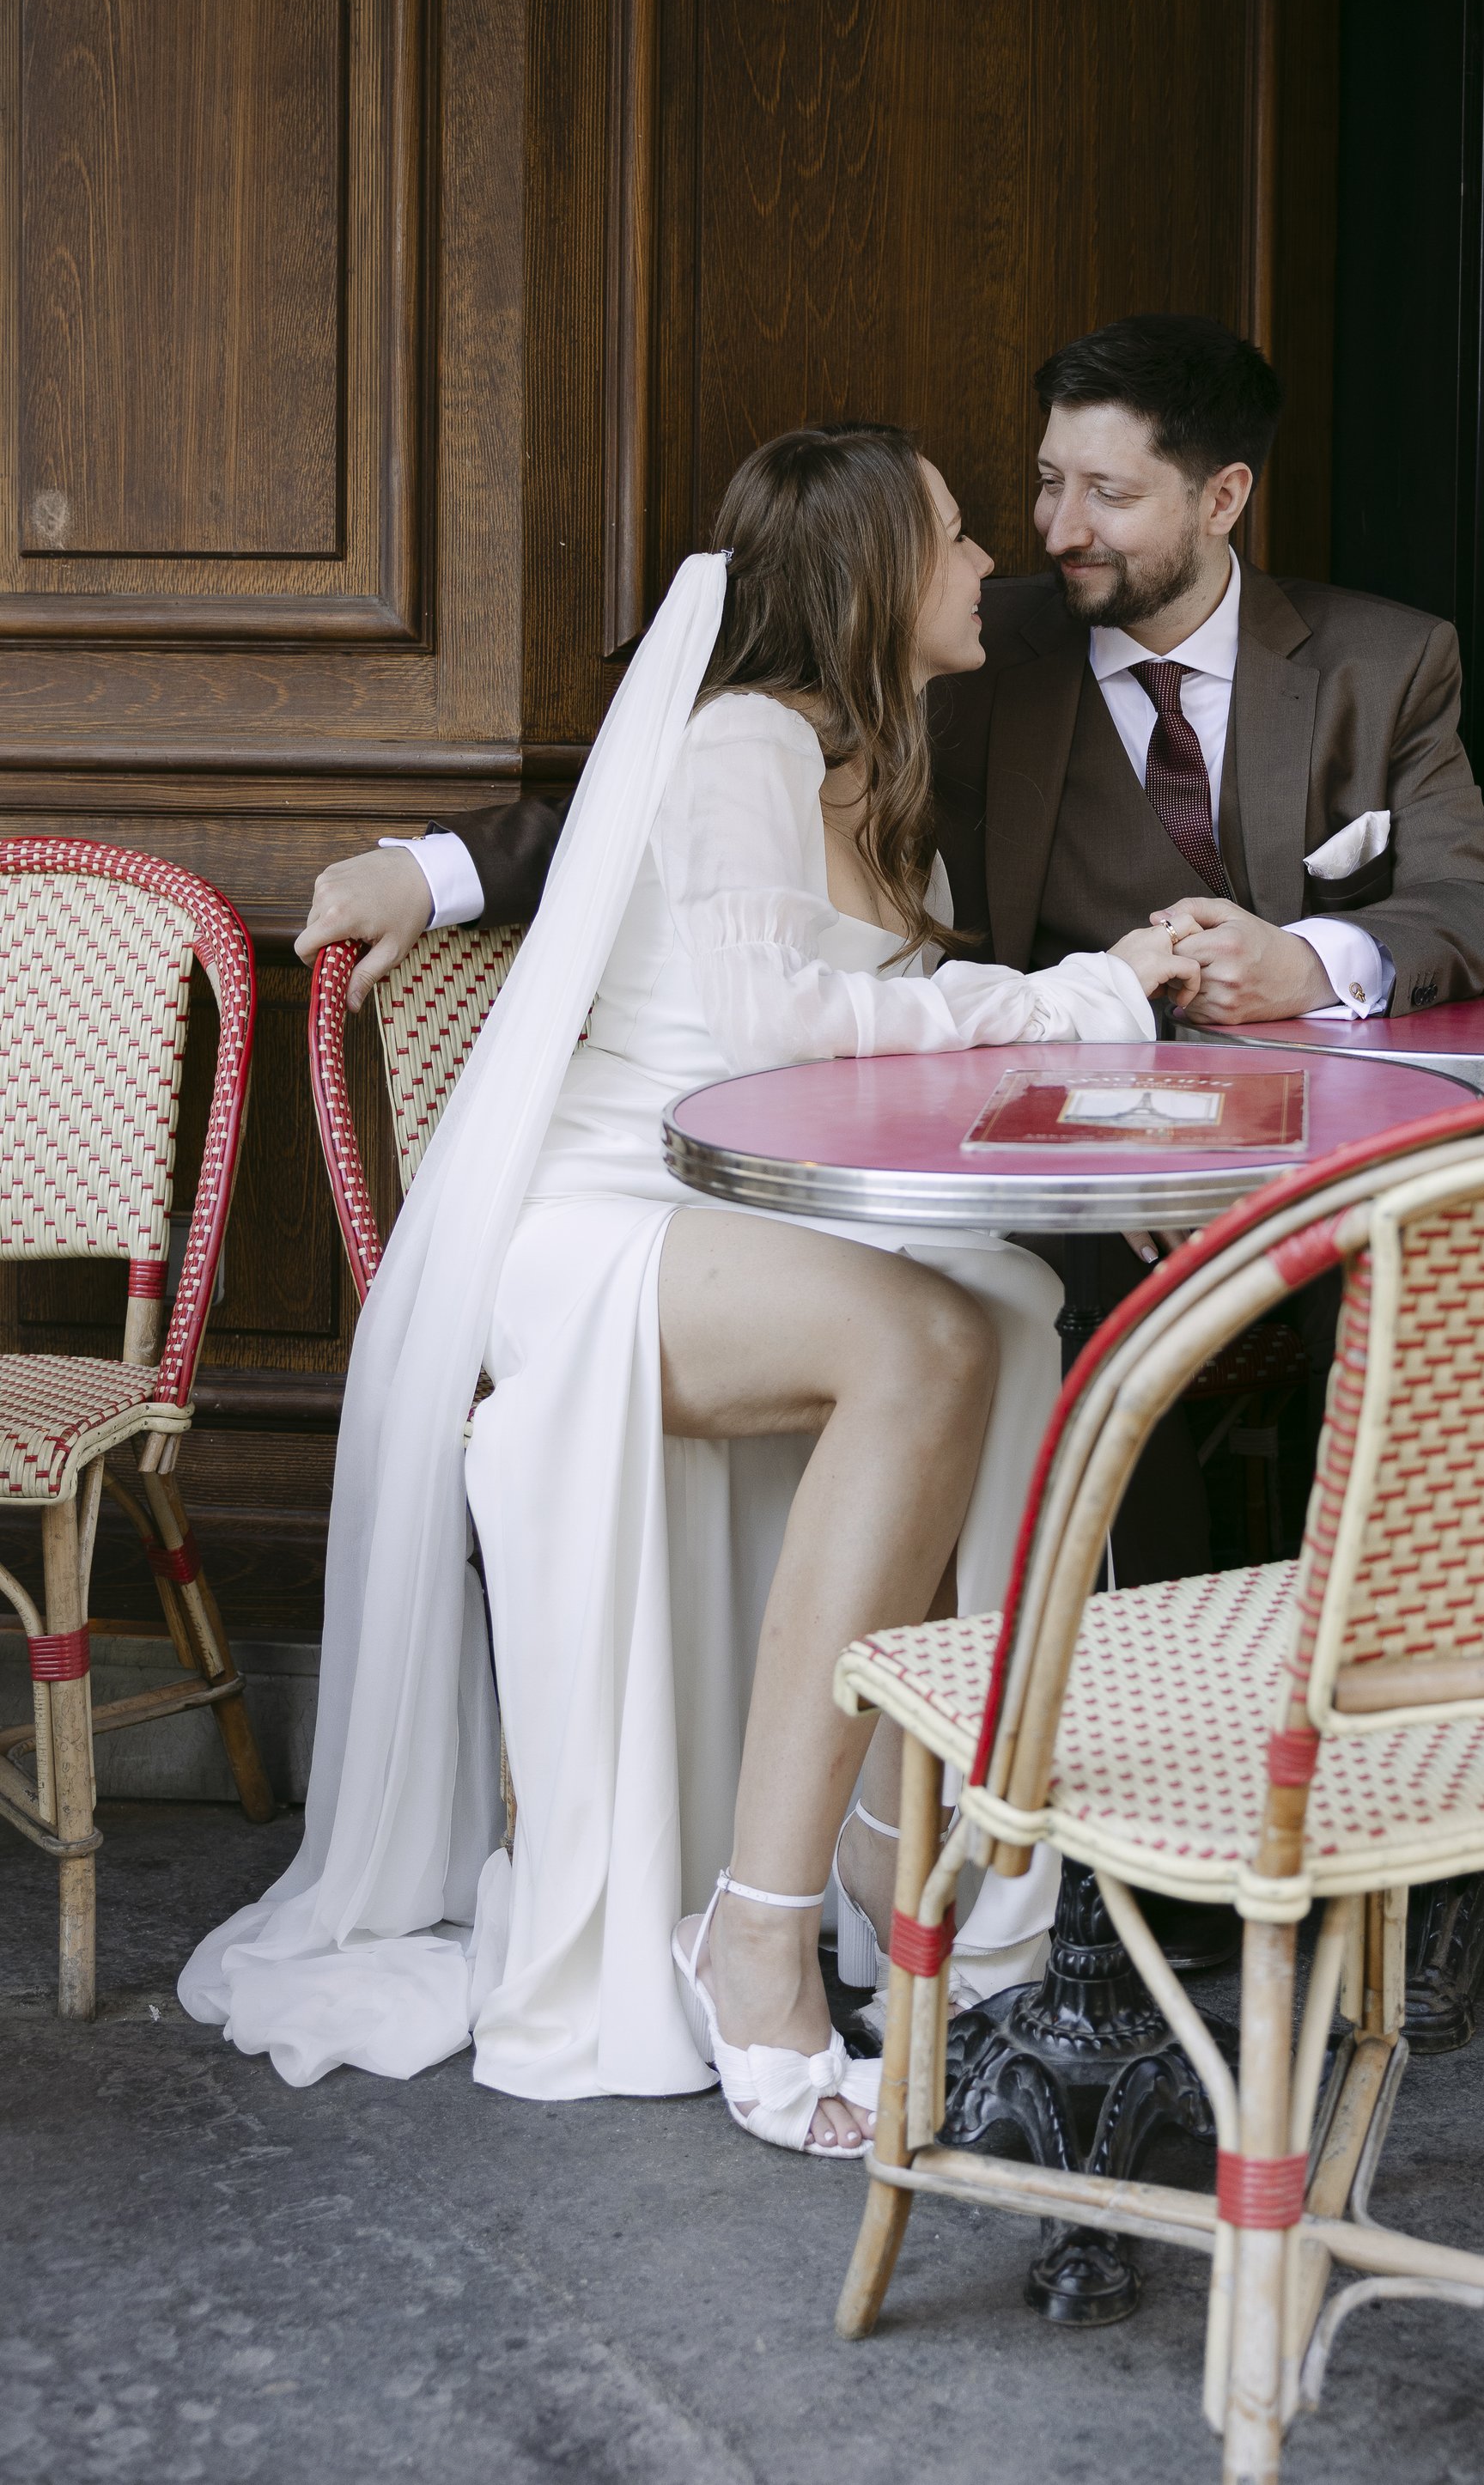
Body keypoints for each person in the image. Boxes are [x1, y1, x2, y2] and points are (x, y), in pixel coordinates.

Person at [181, 429, 1194, 2158]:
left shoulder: (879, 776)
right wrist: (1085, 995)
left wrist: (1120, 1101)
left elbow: (889, 1066)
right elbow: (772, 1023)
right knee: (920, 1340)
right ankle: (757, 1935)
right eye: (956, 536)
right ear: (874, 573)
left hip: (756, 1218)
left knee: (1009, 1306)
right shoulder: (737, 743)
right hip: (606, 1230)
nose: (987, 565)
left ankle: (911, 1858)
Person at [298, 320, 1484, 1577]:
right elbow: (667, 797)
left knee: (1445, 1278)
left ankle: (1403, 1648)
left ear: (1222, 498)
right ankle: (1088, 1668)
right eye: (1048, 481)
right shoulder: (970, 645)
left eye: (1108, 494)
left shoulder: (1386, 661)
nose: (1056, 530)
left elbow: (1476, 903)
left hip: (1323, 1150)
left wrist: (1312, 962)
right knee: (1052, 1318)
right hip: (1033, 1158)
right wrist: (434, 869)